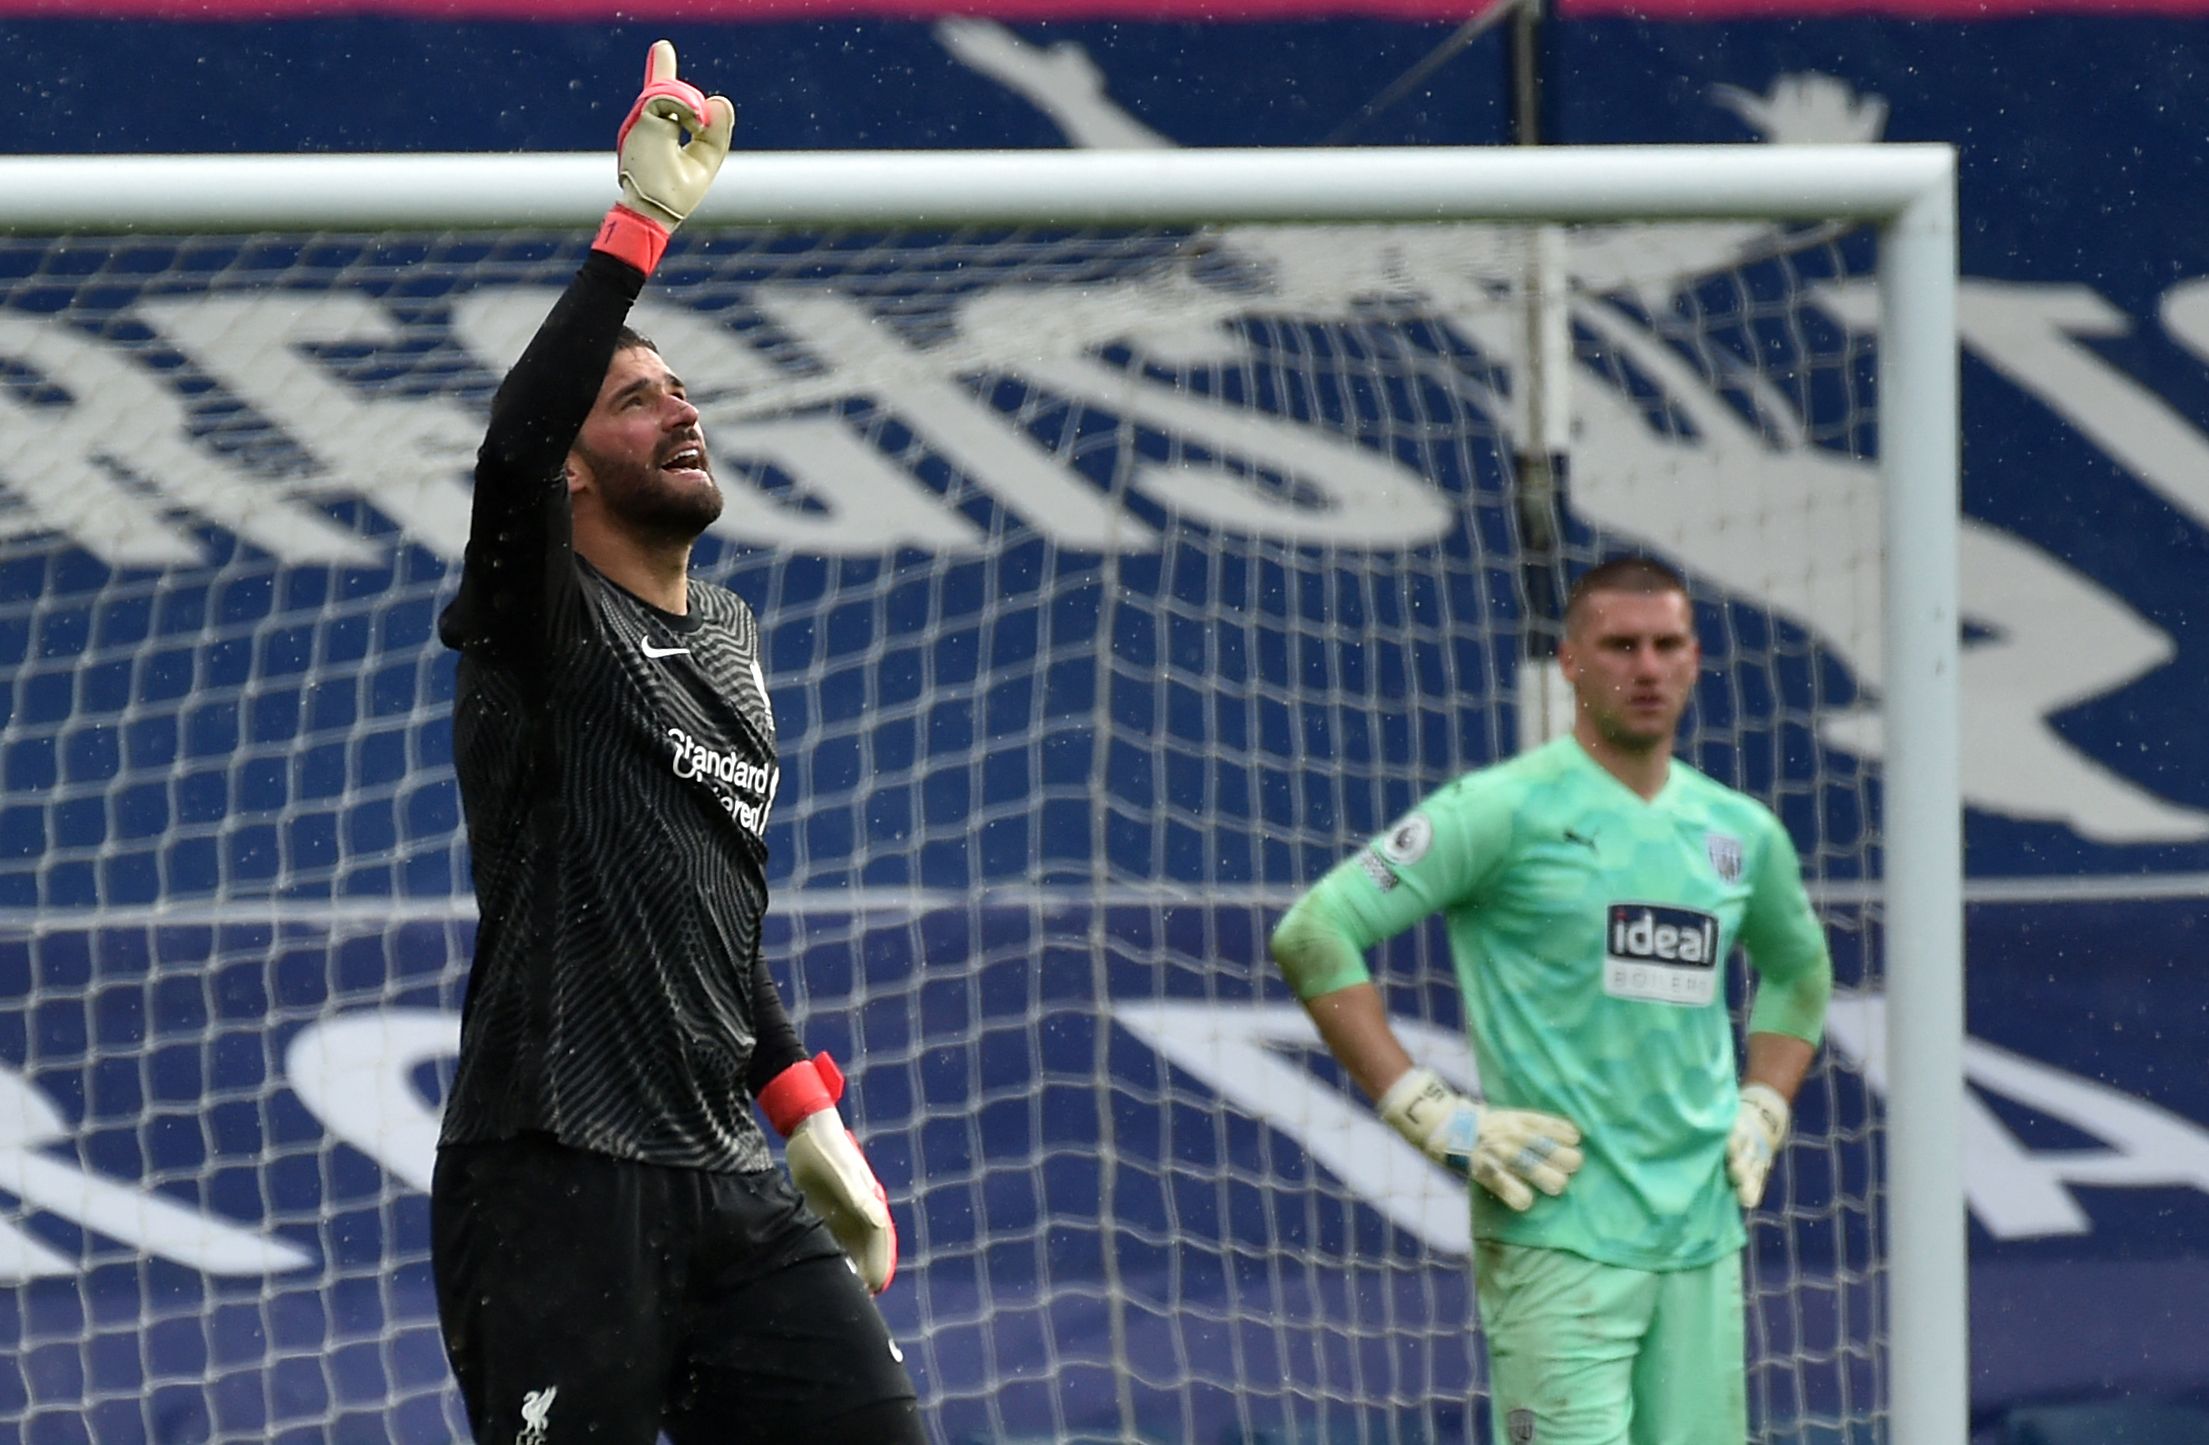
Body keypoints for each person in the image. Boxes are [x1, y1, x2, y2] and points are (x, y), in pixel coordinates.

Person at [428, 42, 923, 1445]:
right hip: (554, 1171)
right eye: (636, 398)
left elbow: (698, 907)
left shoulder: (727, 637)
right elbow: (508, 455)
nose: (682, 407)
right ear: (573, 470)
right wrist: (636, 231)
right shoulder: (539, 619)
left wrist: (804, 1110)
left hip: (722, 1171)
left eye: (683, 389)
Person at [1269, 555, 1833, 1445]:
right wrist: (1426, 1109)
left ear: (1694, 659)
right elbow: (1313, 931)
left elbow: (1800, 973)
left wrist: (1764, 1103)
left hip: (1702, 1236)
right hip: (1558, 1235)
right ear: (1569, 660)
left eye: (1666, 645)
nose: (1645, 668)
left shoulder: (1740, 831)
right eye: (1619, 645)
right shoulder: (1499, 810)